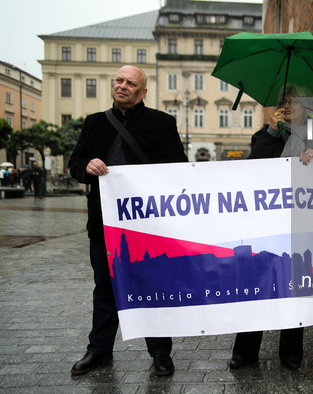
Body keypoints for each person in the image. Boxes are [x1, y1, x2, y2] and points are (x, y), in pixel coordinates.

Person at [68, 65, 188, 376]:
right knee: (104, 288)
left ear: (143, 92)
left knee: (152, 288)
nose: (123, 86)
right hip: (103, 224)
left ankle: (160, 352)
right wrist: (87, 165)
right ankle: (99, 350)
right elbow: (75, 163)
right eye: (119, 80)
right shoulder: (94, 122)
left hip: (148, 226)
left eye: (130, 83)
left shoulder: (162, 123)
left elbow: (179, 169)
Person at [230, 85, 313, 371]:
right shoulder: (266, 135)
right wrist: (272, 133)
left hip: (300, 224)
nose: (287, 107)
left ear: (307, 108)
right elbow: (253, 168)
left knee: (293, 286)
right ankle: (245, 351)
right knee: (258, 285)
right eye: (284, 103)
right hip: (267, 224)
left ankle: (290, 351)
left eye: (294, 103)